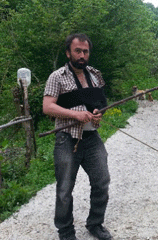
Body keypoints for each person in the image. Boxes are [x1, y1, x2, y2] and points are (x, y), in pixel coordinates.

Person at [43, 33, 112, 240]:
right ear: (68, 52)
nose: (82, 55)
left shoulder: (95, 74)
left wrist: (99, 113)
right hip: (67, 139)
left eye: (85, 51)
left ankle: (95, 224)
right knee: (65, 189)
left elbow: (101, 103)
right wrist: (75, 114)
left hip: (92, 138)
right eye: (78, 51)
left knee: (102, 182)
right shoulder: (57, 76)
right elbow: (47, 107)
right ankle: (66, 232)